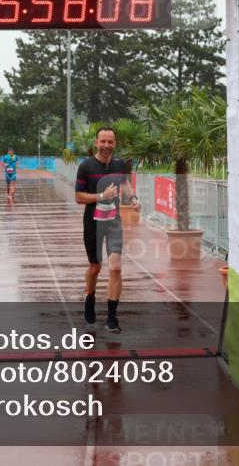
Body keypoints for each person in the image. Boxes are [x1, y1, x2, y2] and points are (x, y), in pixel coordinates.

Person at [75, 127, 139, 333]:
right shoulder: (85, 166)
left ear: (115, 144)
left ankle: (112, 318)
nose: (106, 146)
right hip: (93, 223)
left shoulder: (120, 164)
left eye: (110, 142)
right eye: (103, 141)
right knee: (95, 266)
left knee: (116, 267)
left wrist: (133, 198)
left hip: (113, 222)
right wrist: (102, 196)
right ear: (96, 143)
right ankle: (90, 296)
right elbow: (79, 197)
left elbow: (125, 183)